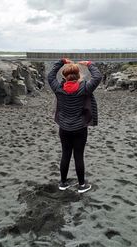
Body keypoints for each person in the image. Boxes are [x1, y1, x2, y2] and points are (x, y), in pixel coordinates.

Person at [48, 58, 102, 193]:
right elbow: (97, 77)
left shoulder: (59, 89)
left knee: (65, 155)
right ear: (78, 76)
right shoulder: (84, 88)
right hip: (80, 128)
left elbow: (50, 76)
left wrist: (61, 62)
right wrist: (89, 64)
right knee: (78, 156)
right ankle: (82, 185)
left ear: (64, 77)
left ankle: (63, 183)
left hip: (64, 128)